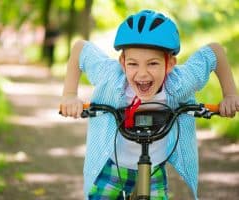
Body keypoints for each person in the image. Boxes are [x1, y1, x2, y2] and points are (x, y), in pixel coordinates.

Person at [60, 10, 239, 199]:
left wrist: (230, 95)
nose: (142, 74)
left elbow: (215, 52)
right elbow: (81, 48)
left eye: (152, 64)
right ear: (122, 63)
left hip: (154, 168)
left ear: (169, 64)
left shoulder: (180, 84)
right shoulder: (111, 78)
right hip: (113, 165)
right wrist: (70, 95)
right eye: (133, 64)